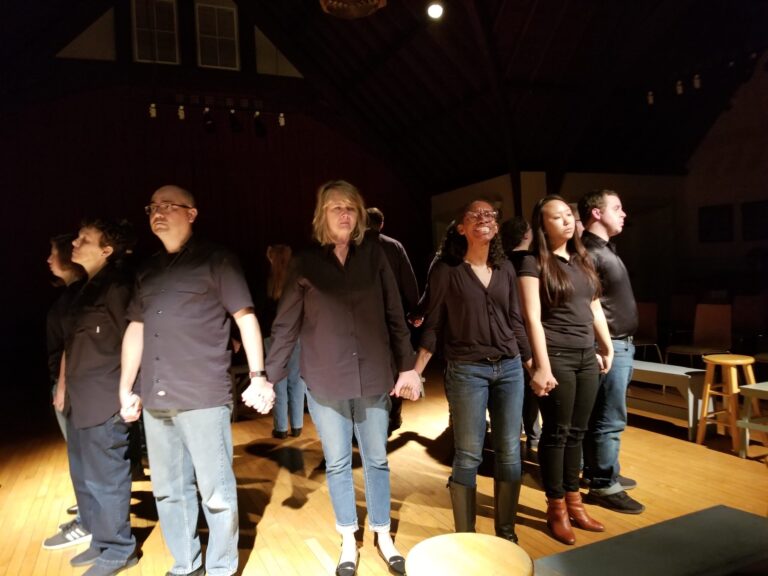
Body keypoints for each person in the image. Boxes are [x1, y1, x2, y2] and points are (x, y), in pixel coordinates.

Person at [262, 180, 421, 576]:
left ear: (360, 213)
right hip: (326, 381)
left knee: (377, 460)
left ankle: (382, 534)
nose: (345, 214)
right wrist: (267, 378)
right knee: (336, 463)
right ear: (322, 214)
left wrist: (408, 366)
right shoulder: (304, 263)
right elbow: (285, 326)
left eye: (351, 207)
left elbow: (394, 314)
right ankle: (348, 537)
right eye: (336, 207)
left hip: (373, 376)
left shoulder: (375, 256)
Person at [119, 185, 274, 576]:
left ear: (191, 214)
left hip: (203, 395)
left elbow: (245, 318)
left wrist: (258, 376)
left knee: (216, 491)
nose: (158, 212)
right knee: (168, 491)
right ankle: (185, 565)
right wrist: (126, 388)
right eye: (152, 206)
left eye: (168, 205)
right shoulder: (147, 270)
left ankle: (220, 567)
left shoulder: (217, 260)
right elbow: (136, 329)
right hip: (156, 398)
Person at [414, 200, 532, 543]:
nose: (484, 218)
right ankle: (466, 538)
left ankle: (506, 534)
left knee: (510, 449)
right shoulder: (446, 270)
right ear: (461, 228)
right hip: (467, 370)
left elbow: (516, 321)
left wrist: (532, 366)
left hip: (509, 368)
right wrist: (416, 371)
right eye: (475, 215)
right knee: (468, 452)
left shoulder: (505, 267)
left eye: (490, 214)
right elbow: (433, 325)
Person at [517, 195, 613, 545]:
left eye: (568, 215)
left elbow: (594, 306)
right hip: (556, 354)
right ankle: (556, 507)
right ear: (543, 225)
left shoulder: (582, 259)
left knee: (578, 432)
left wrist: (606, 346)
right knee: (557, 432)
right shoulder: (532, 263)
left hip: (587, 355)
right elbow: (531, 318)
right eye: (557, 217)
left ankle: (575, 503)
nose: (567, 221)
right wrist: (540, 366)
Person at [51, 219, 138, 575]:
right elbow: (72, 344)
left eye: (84, 239)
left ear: (106, 250)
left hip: (105, 399)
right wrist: (63, 387)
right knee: (88, 476)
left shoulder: (117, 287)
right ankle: (101, 540)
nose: (75, 243)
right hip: (81, 399)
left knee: (107, 477)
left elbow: (135, 339)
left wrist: (130, 391)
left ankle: (119, 549)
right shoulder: (86, 289)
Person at [578, 190, 645, 514]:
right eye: (616, 208)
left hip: (617, 342)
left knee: (601, 415)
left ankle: (600, 472)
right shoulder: (590, 252)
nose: (623, 214)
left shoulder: (601, 249)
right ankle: (604, 483)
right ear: (596, 213)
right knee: (609, 417)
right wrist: (603, 346)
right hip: (609, 344)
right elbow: (588, 305)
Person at [42, 233, 89, 550]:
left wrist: (62, 386)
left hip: (72, 384)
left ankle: (89, 519)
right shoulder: (71, 294)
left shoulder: (79, 295)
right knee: (79, 454)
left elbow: (73, 346)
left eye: (53, 253)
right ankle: (88, 510)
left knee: (82, 455)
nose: (48, 260)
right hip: (67, 383)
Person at [365, 207, 420, 434]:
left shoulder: (353, 246)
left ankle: (370, 420)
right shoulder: (394, 246)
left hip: (365, 319)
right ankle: (393, 415)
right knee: (397, 366)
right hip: (393, 317)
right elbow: (408, 280)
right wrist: (415, 310)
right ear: (382, 224)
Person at [501, 216, 541, 461]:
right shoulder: (530, 261)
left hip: (505, 334)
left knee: (513, 391)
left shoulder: (499, 262)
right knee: (531, 386)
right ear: (526, 235)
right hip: (527, 331)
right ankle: (534, 436)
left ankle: (515, 437)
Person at [263, 244, 306, 438]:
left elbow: (261, 314)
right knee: (297, 381)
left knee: (277, 381)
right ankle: (297, 426)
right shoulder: (296, 281)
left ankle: (280, 428)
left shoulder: (267, 282)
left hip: (272, 337)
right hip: (295, 335)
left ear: (271, 258)